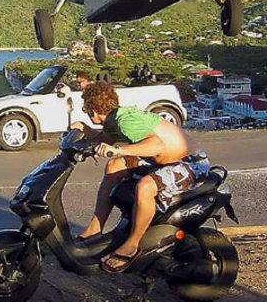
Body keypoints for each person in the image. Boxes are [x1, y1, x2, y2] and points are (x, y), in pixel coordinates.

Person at [73, 79, 210, 272]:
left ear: (93, 111)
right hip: (162, 160)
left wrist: (118, 151)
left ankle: (132, 245)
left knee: (145, 186)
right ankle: (95, 228)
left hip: (190, 162)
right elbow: (107, 141)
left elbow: (156, 145)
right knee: (113, 167)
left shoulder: (125, 121)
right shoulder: (114, 119)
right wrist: (83, 130)